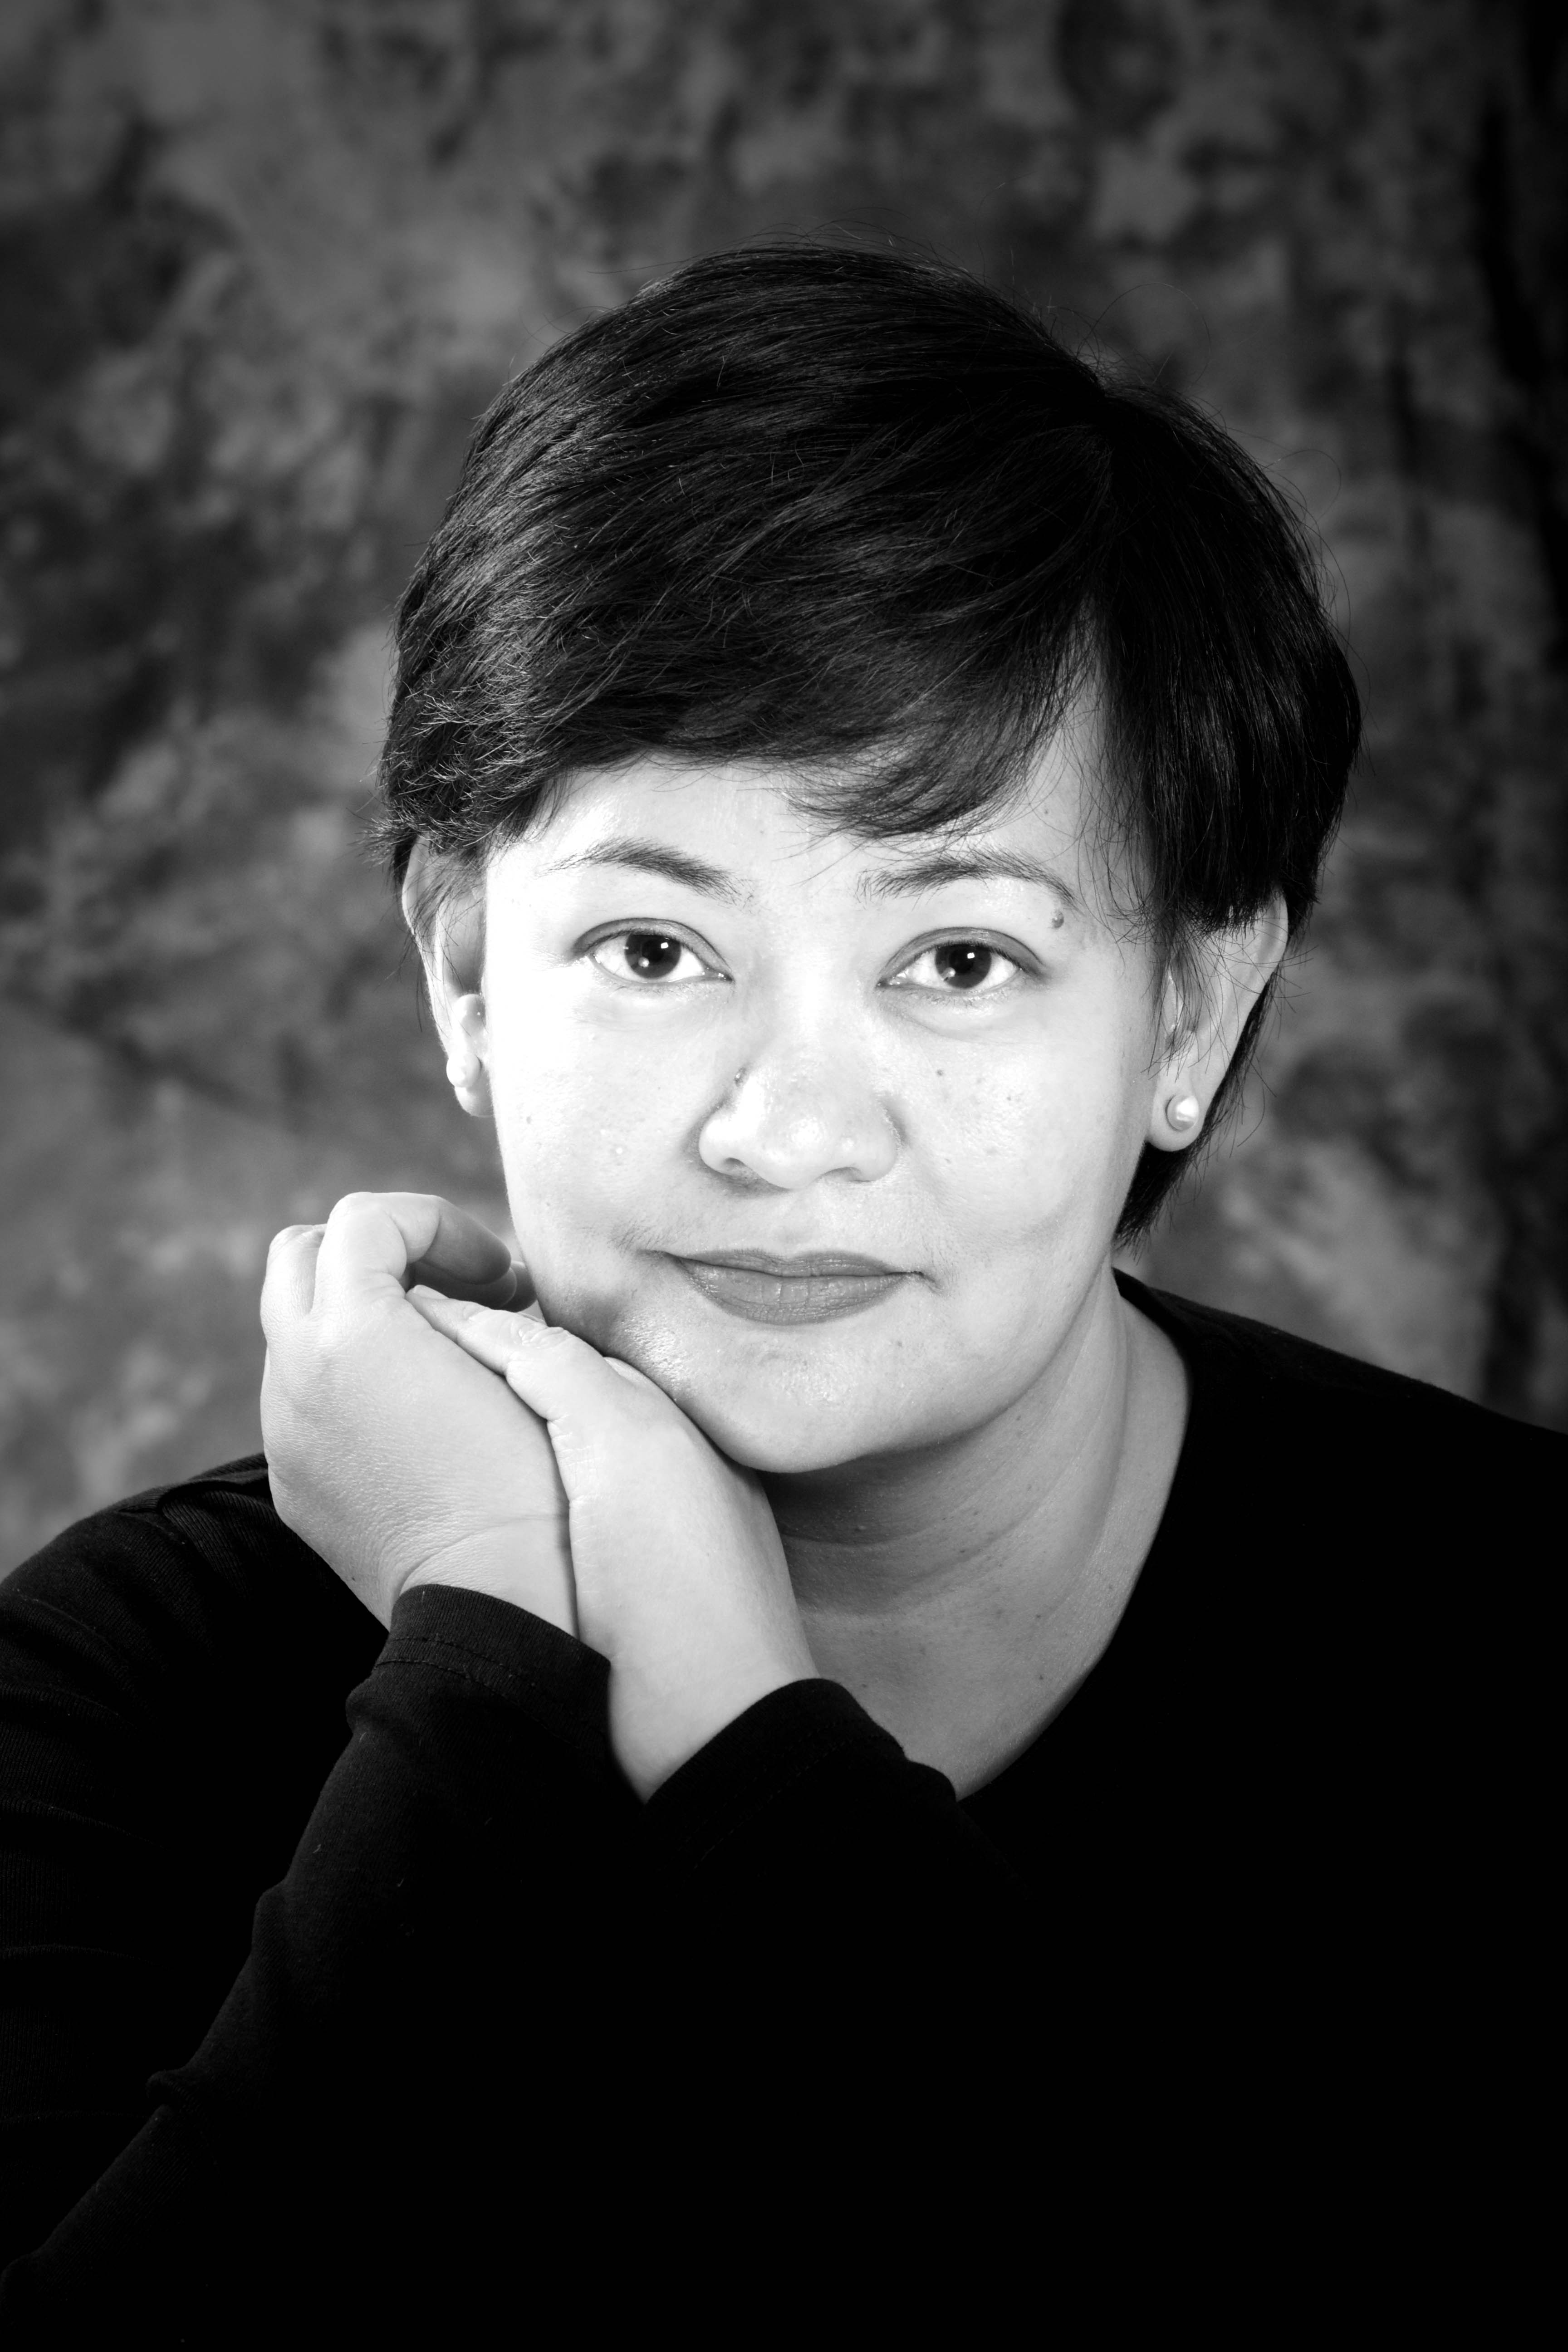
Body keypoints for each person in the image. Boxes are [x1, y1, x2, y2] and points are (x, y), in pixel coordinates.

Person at [0, 244, 1556, 2327]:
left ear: (1189, 1011)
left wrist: (742, 1734)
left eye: (961, 959)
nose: (786, 1130)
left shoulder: (1524, 1649)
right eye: (655, 951)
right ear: (465, 973)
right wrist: (485, 1639)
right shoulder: (117, 1695)